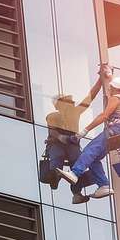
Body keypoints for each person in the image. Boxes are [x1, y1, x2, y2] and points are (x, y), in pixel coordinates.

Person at [55, 76, 120, 199]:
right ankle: (103, 185)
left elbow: (104, 115)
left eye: (110, 87)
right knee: (94, 158)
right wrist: (105, 77)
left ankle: (75, 173)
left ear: (113, 88)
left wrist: (85, 130)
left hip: (115, 130)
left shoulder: (116, 98)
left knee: (90, 149)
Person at [43, 64, 112, 203]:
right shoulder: (53, 116)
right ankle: (54, 177)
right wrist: (61, 137)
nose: (71, 103)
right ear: (59, 105)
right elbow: (53, 131)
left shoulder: (75, 112)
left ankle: (77, 193)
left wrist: (100, 79)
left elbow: (90, 97)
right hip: (58, 144)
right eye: (67, 102)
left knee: (78, 164)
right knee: (57, 159)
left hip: (72, 143)